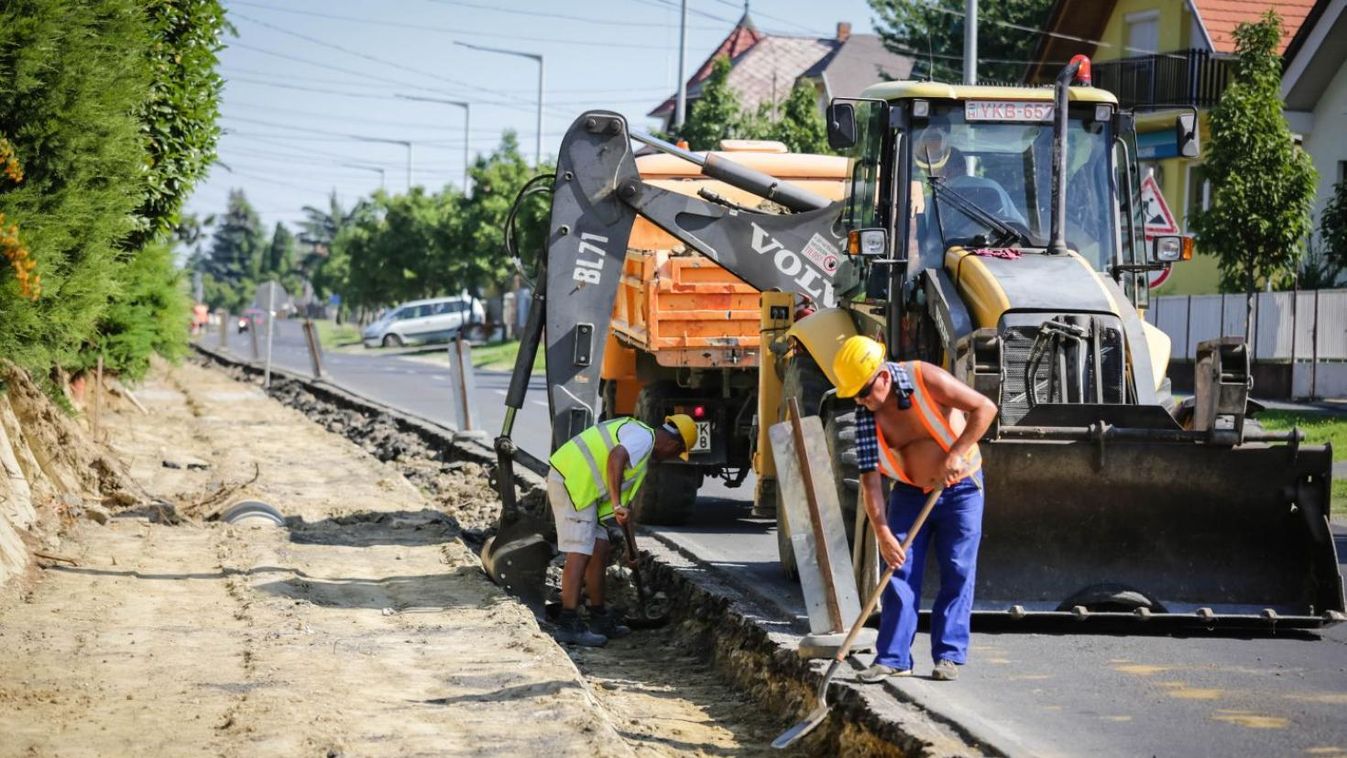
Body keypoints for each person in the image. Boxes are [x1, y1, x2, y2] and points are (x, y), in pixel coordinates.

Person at [832, 336, 997, 681]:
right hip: (909, 493)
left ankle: (948, 656)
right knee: (898, 569)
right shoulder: (865, 417)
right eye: (855, 396)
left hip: (961, 487)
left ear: (883, 376)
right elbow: (870, 481)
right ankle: (893, 659)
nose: (861, 401)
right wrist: (882, 533)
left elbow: (985, 408)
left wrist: (956, 454)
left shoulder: (923, 377)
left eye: (864, 392)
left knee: (957, 569)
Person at [546, 413, 697, 646]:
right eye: (676, 453)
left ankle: (598, 617)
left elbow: (627, 509)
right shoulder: (643, 438)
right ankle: (568, 624)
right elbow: (616, 456)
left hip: (583, 491)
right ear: (672, 444)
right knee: (580, 551)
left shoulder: (642, 452)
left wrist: (631, 548)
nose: (670, 458)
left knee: (600, 546)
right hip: (572, 483)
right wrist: (616, 504)